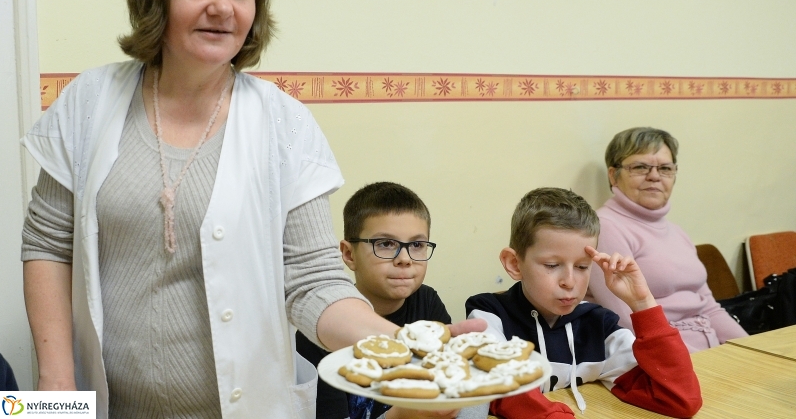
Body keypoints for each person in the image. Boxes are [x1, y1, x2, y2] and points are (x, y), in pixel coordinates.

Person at [19, 0, 481, 418]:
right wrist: (53, 388)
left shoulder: (284, 123)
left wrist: (403, 346)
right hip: (104, 405)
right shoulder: (89, 101)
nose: (222, 5)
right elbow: (48, 242)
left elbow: (312, 283)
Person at [466, 188, 702, 419]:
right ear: (515, 264)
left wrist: (643, 303)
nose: (569, 282)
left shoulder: (599, 325)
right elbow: (499, 387)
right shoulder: (487, 315)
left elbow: (680, 399)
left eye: (582, 266)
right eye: (551, 265)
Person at [296, 182, 487, 419]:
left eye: (417, 245)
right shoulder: (319, 327)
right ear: (348, 254)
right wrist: (402, 415)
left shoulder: (426, 301)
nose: (405, 259)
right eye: (386, 244)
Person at [585, 127, 747, 352]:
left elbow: (710, 309)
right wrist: (704, 362)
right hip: (663, 358)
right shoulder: (605, 228)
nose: (654, 176)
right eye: (640, 167)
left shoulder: (676, 231)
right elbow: (627, 323)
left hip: (710, 351)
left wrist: (752, 349)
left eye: (665, 168)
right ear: (613, 175)